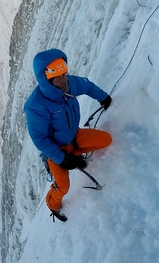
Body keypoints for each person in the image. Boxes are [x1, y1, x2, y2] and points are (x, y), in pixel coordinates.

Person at [24, 49, 112, 222]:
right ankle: (53, 204)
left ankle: (76, 156)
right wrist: (63, 158)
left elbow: (87, 86)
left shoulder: (69, 85)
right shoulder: (35, 106)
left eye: (64, 74)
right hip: (55, 150)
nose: (63, 80)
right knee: (63, 186)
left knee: (106, 140)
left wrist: (104, 97)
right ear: (46, 79)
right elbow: (40, 139)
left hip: (74, 136)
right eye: (57, 77)